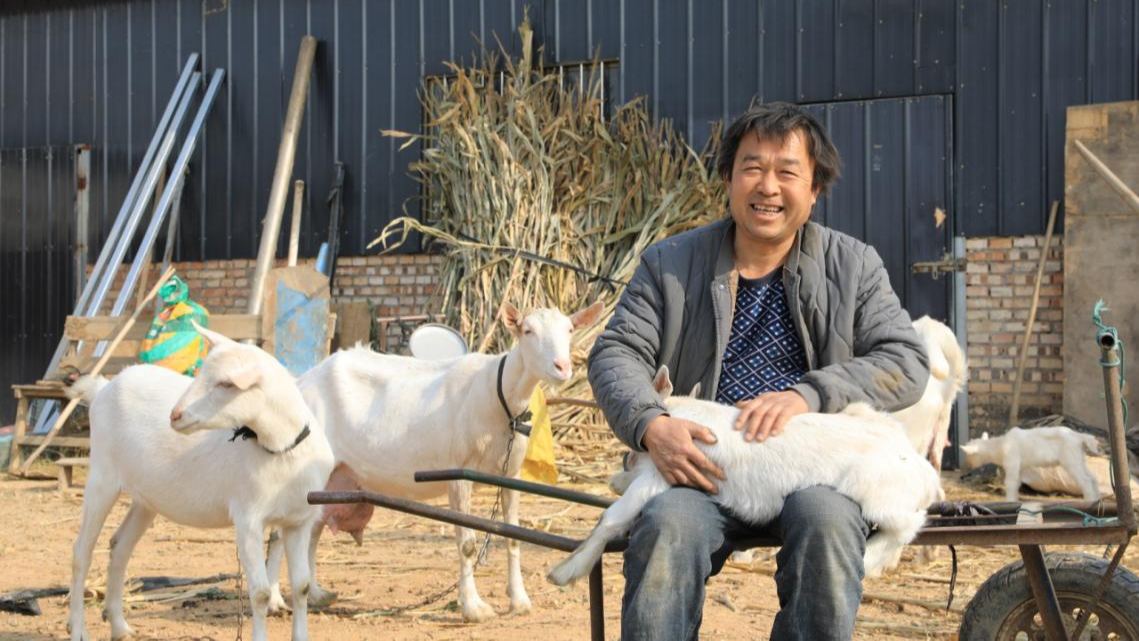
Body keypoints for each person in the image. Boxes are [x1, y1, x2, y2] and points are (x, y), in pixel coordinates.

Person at [587, 102, 931, 640]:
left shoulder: (854, 266)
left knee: (828, 523)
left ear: (815, 189)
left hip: (811, 471)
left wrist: (810, 394)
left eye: (787, 172)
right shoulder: (670, 264)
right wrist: (652, 425)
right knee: (668, 527)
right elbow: (616, 353)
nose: (768, 186)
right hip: (707, 468)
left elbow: (906, 360)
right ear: (728, 179)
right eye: (752, 168)